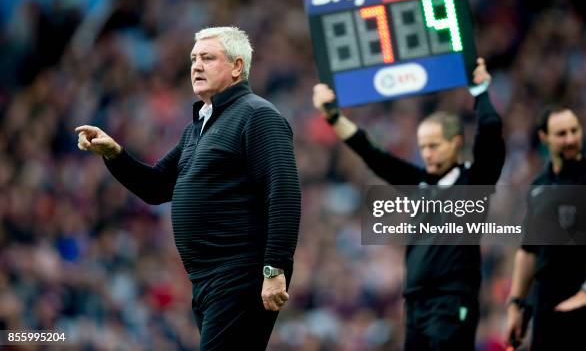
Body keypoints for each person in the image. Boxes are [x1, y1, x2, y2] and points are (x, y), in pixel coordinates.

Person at [76, 26, 301, 350]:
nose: (196, 65)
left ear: (237, 66)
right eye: (194, 58)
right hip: (206, 281)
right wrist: (115, 154)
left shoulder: (258, 115)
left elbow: (284, 191)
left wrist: (274, 266)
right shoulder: (198, 128)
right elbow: (155, 188)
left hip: (241, 274)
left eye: (208, 58)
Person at [313, 58, 505, 350]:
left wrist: (481, 92)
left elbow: (490, 135)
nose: (426, 153)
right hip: (416, 304)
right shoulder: (420, 184)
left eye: (434, 145)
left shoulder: (474, 182)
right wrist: (334, 117)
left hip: (452, 301)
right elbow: (374, 155)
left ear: (455, 143)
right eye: (423, 146)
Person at [506, 106, 586, 351]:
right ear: (544, 137)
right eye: (561, 133)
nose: (570, 139)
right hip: (546, 307)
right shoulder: (539, 186)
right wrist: (515, 304)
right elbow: (528, 251)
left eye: (574, 131)